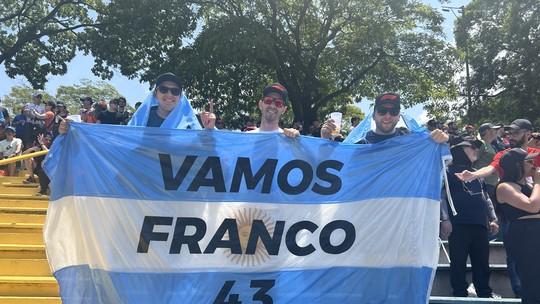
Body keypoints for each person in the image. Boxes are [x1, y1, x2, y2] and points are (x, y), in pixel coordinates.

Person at [441, 137, 499, 298]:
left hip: (480, 223)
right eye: (471, 147)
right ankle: (459, 293)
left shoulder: (477, 174)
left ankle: (484, 292)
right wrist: (445, 219)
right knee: (458, 261)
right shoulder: (447, 172)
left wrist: (493, 218)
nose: (475, 150)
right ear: (460, 151)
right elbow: (442, 196)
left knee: (482, 262)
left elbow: (486, 197)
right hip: (458, 223)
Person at [495, 148, 540, 303]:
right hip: (525, 235)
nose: (533, 164)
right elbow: (532, 206)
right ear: (517, 165)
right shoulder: (505, 187)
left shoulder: (530, 186)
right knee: (533, 284)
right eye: (529, 161)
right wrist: (538, 183)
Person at [321, 92, 448, 144]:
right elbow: (334, 166)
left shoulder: (409, 138)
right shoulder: (362, 144)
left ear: (399, 116)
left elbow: (439, 154)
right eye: (382, 111)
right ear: (374, 116)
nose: (388, 116)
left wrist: (443, 139)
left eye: (393, 111)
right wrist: (324, 141)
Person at [456, 119, 540, 182]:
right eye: (510, 133)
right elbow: (490, 168)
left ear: (528, 134)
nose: (511, 137)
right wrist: (474, 174)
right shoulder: (504, 155)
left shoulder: (536, 154)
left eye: (516, 133)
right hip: (511, 197)